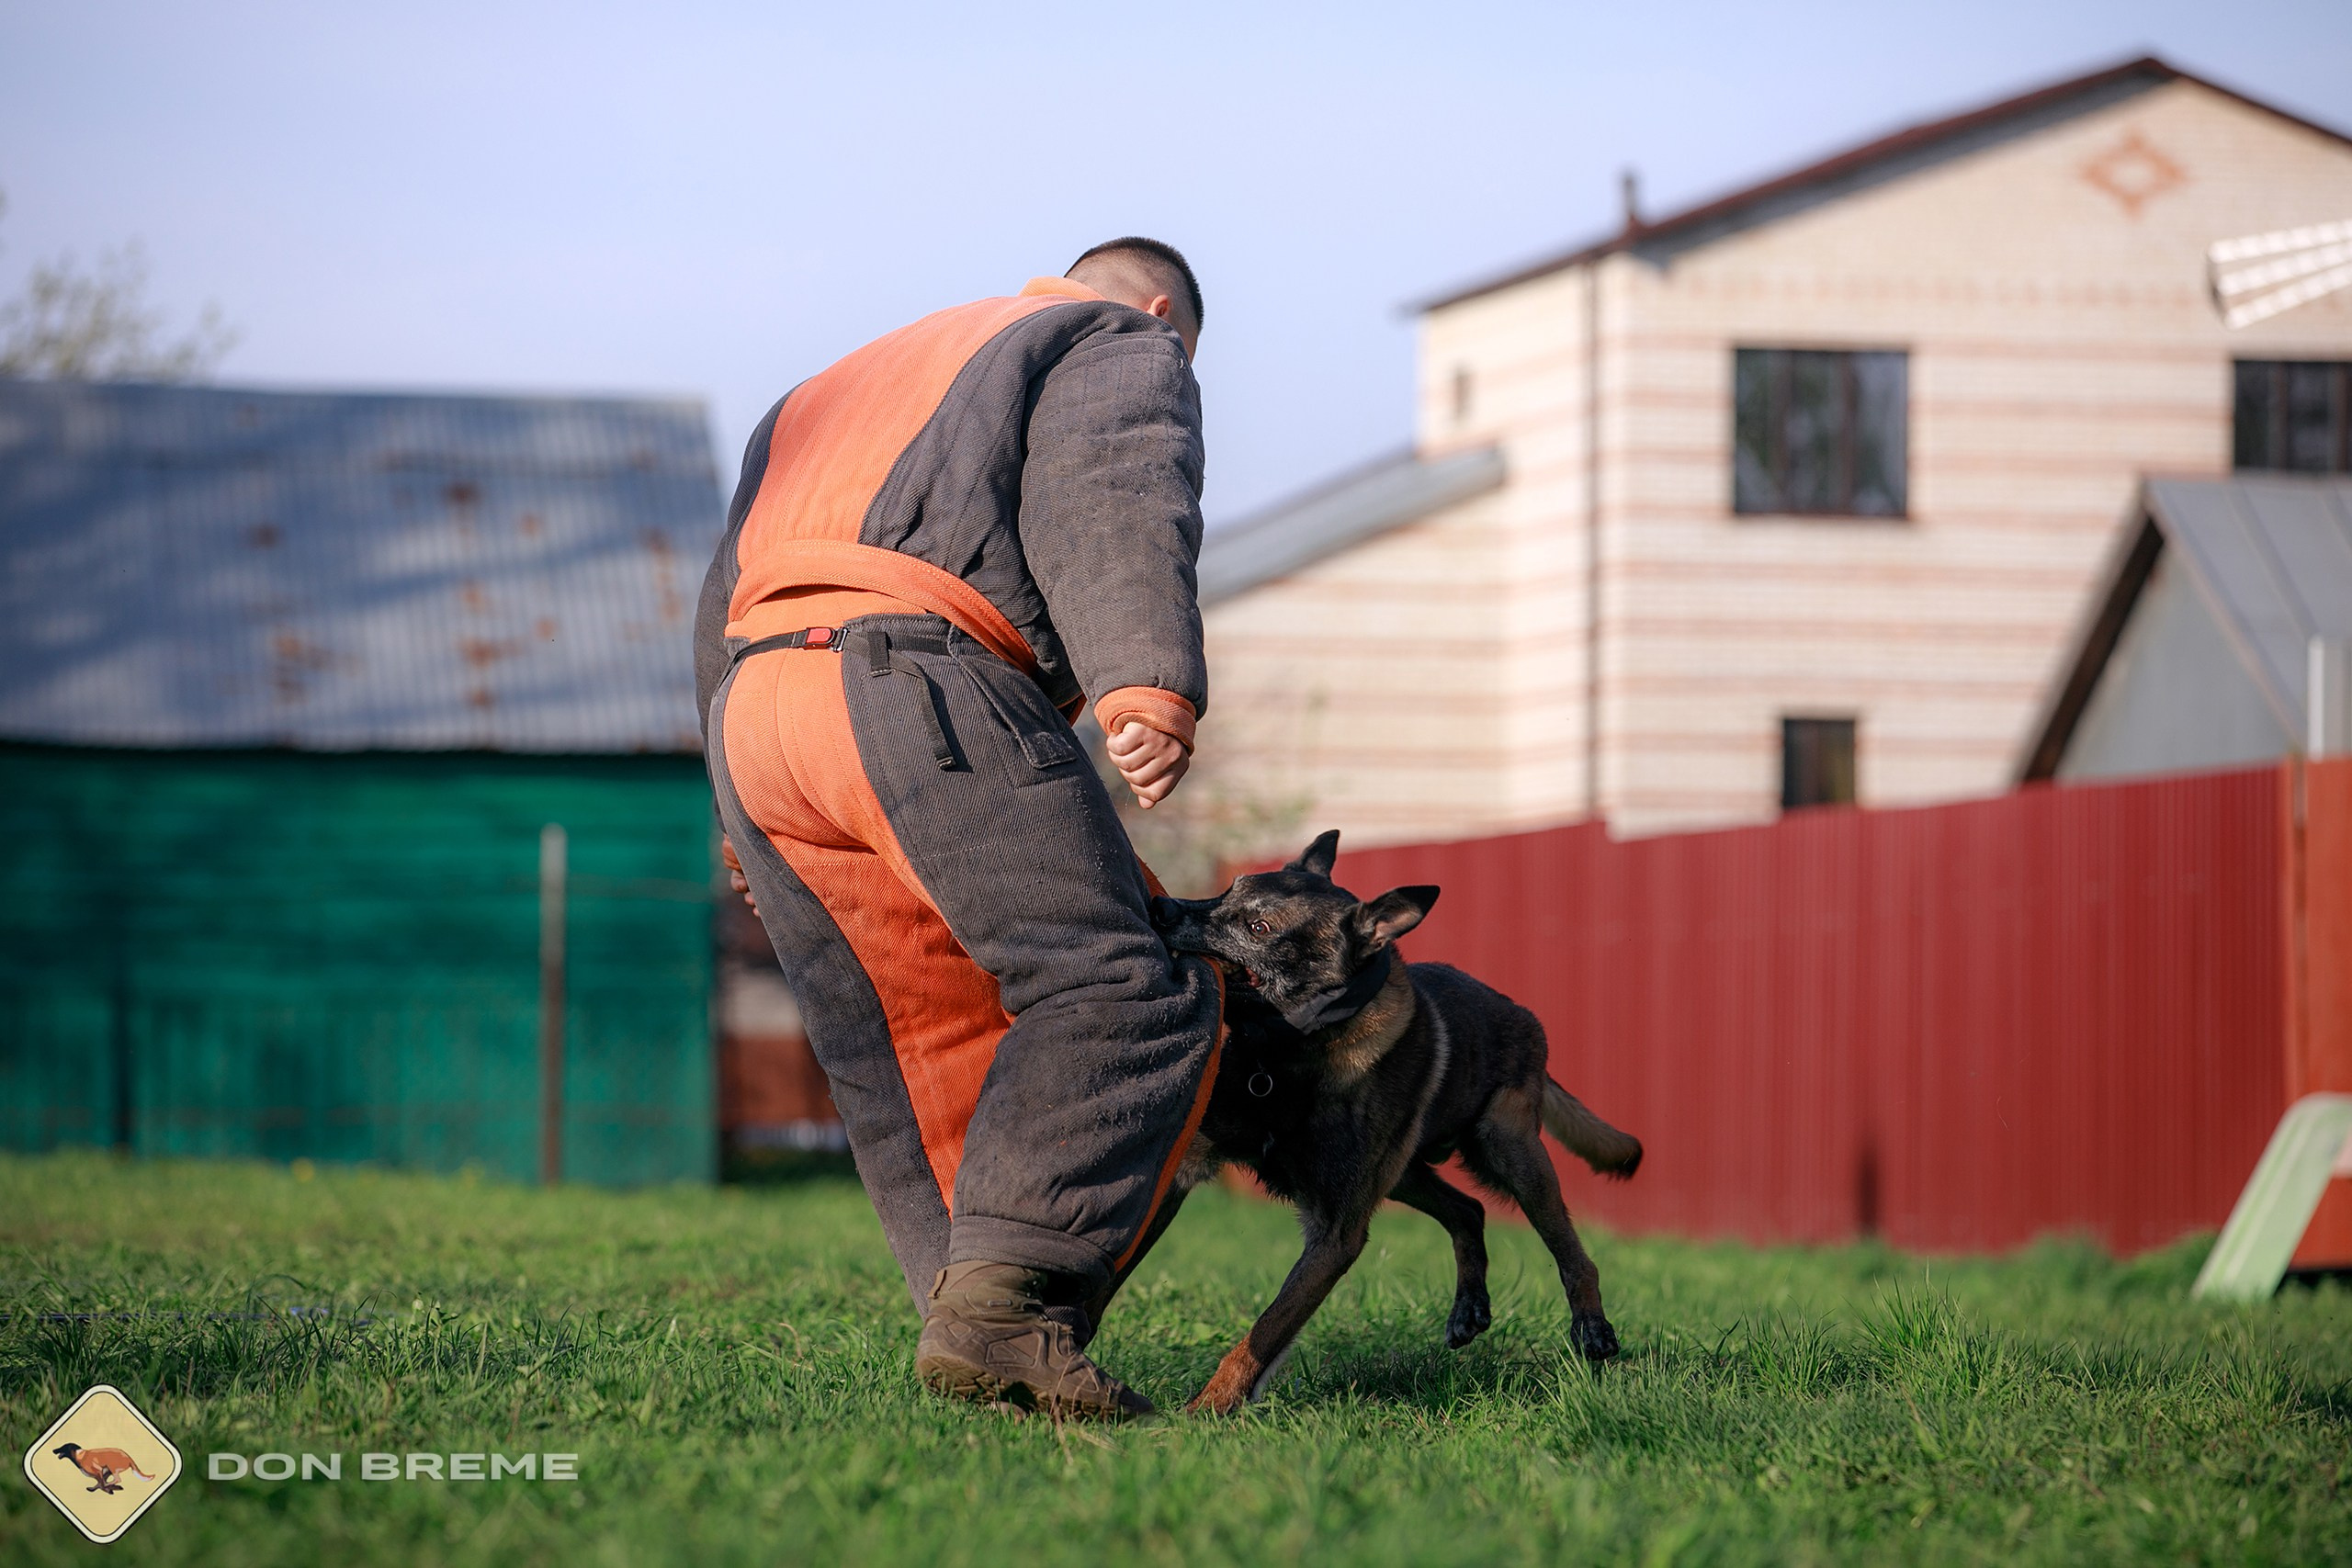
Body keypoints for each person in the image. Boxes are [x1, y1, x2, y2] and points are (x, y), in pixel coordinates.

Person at [695, 239, 1222, 1420]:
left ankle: (976, 1340)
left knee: (906, 1031)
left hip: (759, 707)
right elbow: (1117, 484)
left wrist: (729, 804)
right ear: (1157, 312)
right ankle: (1001, 1317)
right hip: (910, 680)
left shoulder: (832, 387)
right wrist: (1146, 682)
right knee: (1121, 987)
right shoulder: (1114, 335)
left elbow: (721, 584)